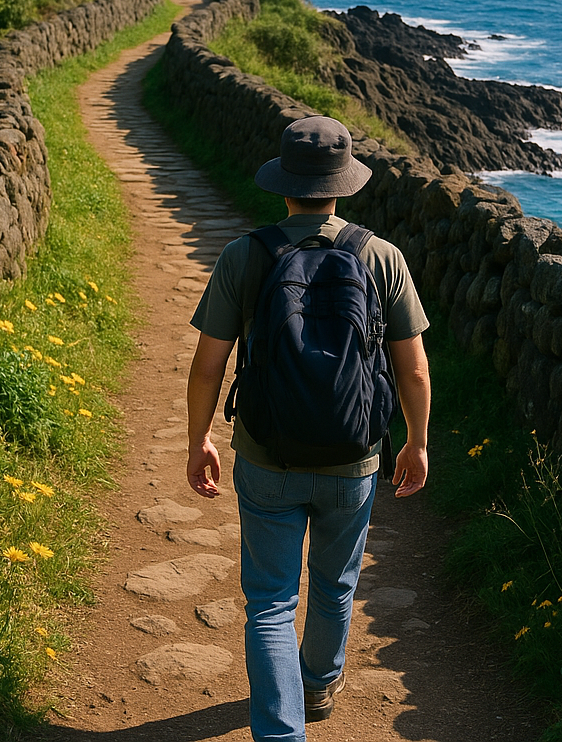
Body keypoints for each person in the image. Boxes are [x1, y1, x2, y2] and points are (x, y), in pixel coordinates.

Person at [186, 115, 431, 742]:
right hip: (354, 455)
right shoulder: (382, 257)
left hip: (267, 453)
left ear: (284, 184)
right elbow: (414, 368)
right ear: (343, 185)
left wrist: (200, 440)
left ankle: (279, 732)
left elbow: (208, 361)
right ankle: (319, 685)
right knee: (335, 581)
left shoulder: (246, 254)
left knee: (270, 600)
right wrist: (417, 441)